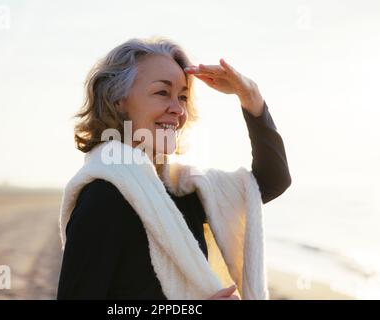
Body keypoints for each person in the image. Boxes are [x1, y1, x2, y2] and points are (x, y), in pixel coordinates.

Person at [57, 37, 291, 300]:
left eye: (182, 97)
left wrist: (250, 96)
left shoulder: (180, 190)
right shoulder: (103, 198)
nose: (178, 109)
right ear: (118, 99)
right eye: (162, 92)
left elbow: (270, 181)